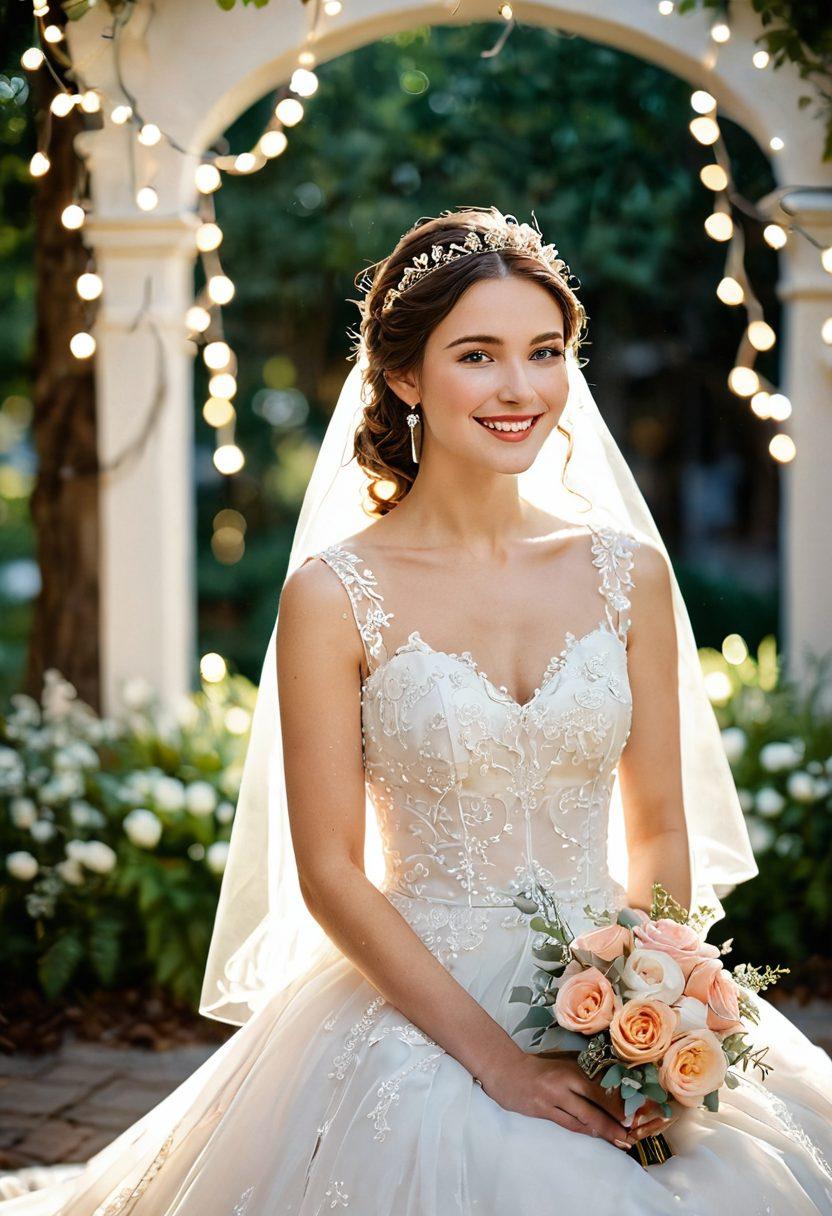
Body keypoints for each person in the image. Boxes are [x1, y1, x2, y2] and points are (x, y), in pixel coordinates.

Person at [3, 206, 831, 1214]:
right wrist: (500, 1065)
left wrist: (646, 1009)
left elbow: (657, 824)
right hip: (418, 992)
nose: (518, 388)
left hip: (616, 994)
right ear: (404, 376)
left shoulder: (627, 573)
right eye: (476, 356)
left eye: (543, 351)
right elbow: (330, 872)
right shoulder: (334, 591)